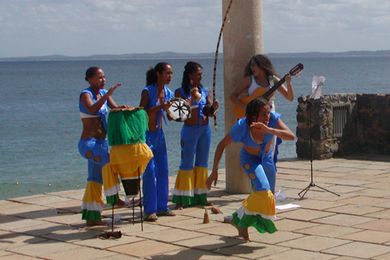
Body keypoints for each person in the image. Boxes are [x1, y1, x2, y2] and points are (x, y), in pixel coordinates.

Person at [206, 98, 295, 240]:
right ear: (254, 116)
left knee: (267, 197)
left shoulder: (272, 120)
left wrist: (269, 130)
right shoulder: (242, 127)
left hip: (266, 159)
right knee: (263, 190)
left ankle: (236, 219)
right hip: (250, 160)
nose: (267, 117)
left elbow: (292, 136)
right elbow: (221, 145)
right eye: (264, 114)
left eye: (268, 113)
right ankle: (242, 227)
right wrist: (214, 171)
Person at [78, 66, 125, 226]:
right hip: (88, 144)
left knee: (94, 179)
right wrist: (107, 95)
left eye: (104, 77)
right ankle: (114, 197)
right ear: (89, 79)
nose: (103, 80)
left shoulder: (104, 94)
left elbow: (116, 108)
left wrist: (127, 110)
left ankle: (92, 216)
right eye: (99, 77)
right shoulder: (86, 94)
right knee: (109, 164)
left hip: (101, 143)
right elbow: (92, 108)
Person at [172, 61, 219, 209]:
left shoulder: (205, 91)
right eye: (198, 74)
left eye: (201, 74)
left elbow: (208, 112)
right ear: (190, 75)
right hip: (190, 130)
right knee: (186, 162)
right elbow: (178, 115)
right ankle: (182, 198)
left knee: (202, 162)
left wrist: (213, 108)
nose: (200, 77)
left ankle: (200, 196)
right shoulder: (180, 92)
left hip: (204, 130)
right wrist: (191, 100)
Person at [139, 62, 176, 221]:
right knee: (150, 173)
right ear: (158, 74)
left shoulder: (168, 92)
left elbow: (170, 117)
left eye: (171, 73)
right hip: (147, 135)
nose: (170, 76)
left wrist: (174, 108)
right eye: (167, 73)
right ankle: (150, 209)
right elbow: (140, 113)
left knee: (163, 170)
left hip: (160, 134)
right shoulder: (148, 91)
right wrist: (158, 107)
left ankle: (162, 206)